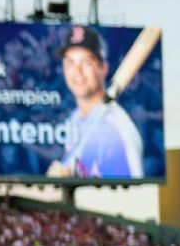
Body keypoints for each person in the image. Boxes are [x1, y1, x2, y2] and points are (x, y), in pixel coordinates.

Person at [47, 25, 144, 179]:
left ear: (103, 69)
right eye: (70, 62)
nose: (77, 71)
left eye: (86, 62)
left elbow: (129, 197)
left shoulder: (116, 134)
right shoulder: (76, 117)